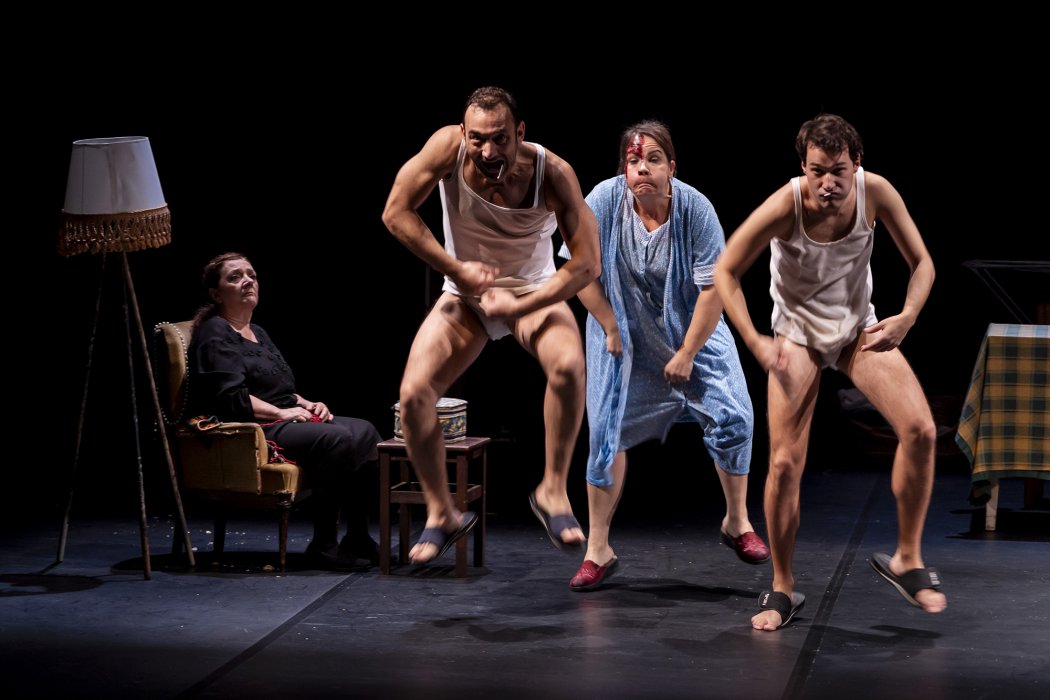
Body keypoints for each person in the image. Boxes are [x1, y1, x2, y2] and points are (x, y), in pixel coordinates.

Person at [713, 114, 947, 631]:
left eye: (838, 171)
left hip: (857, 331)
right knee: (784, 465)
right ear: (804, 166)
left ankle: (907, 558)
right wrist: (754, 338)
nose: (828, 183)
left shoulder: (875, 192)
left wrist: (907, 316)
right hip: (796, 337)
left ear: (856, 164)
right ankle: (782, 586)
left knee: (921, 430)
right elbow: (726, 268)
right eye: (817, 171)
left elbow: (923, 263)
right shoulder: (787, 204)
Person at [381, 86, 600, 564]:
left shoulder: (553, 173)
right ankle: (442, 512)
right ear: (463, 133)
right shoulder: (447, 148)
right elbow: (395, 213)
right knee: (414, 395)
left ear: (519, 133)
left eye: (500, 139)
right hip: (465, 295)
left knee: (568, 366)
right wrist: (456, 269)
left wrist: (521, 303)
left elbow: (587, 265)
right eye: (477, 139)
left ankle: (552, 490)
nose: (487, 151)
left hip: (531, 291)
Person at [563, 121, 769, 592]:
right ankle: (598, 549)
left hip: (691, 327)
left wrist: (689, 352)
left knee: (735, 414)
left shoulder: (695, 209)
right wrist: (610, 325)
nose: (643, 168)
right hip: (623, 333)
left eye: (653, 159)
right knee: (606, 432)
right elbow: (579, 272)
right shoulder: (603, 201)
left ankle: (736, 520)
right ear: (624, 169)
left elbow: (714, 289)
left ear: (672, 167)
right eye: (634, 160)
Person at [188, 252, 383, 571]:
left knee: (366, 432)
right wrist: (282, 413)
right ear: (216, 294)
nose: (247, 281)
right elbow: (232, 398)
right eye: (235, 277)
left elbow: (278, 386)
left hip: (282, 416)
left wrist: (306, 403)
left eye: (251, 275)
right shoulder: (215, 333)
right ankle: (324, 545)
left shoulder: (257, 331)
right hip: (251, 427)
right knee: (336, 439)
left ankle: (358, 536)